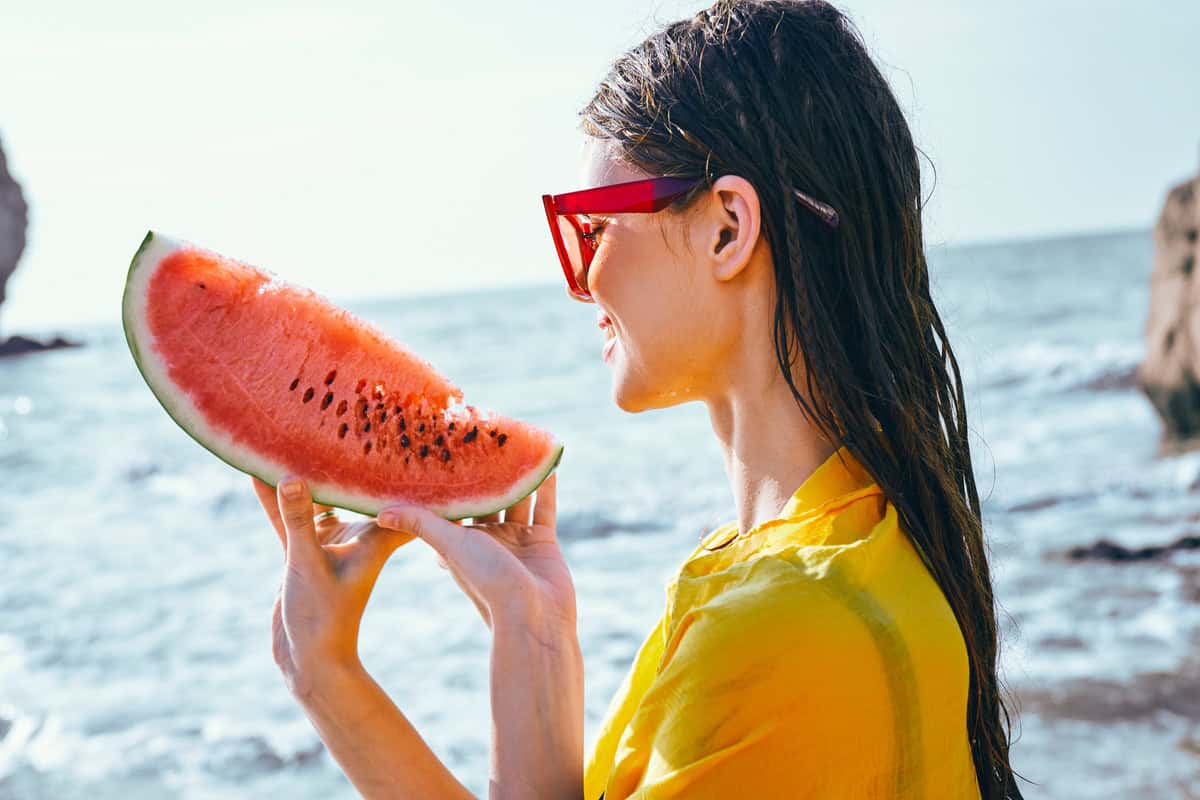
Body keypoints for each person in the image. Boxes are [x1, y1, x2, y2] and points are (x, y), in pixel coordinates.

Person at [252, 0, 1029, 797]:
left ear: (727, 228)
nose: (583, 280)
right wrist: (531, 633)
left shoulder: (782, 629)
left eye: (592, 228)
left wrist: (329, 682)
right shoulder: (807, 560)